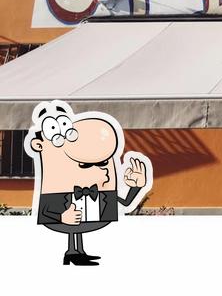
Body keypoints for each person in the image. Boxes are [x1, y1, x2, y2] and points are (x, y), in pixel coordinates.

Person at [24, 100, 151, 265]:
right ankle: (72, 251)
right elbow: (46, 212)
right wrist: (61, 216)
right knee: (73, 229)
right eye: (85, 165)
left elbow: (125, 203)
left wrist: (136, 186)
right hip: (64, 216)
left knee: (77, 229)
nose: (103, 170)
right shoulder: (55, 192)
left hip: (89, 215)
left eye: (103, 163)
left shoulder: (101, 193)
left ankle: (78, 251)